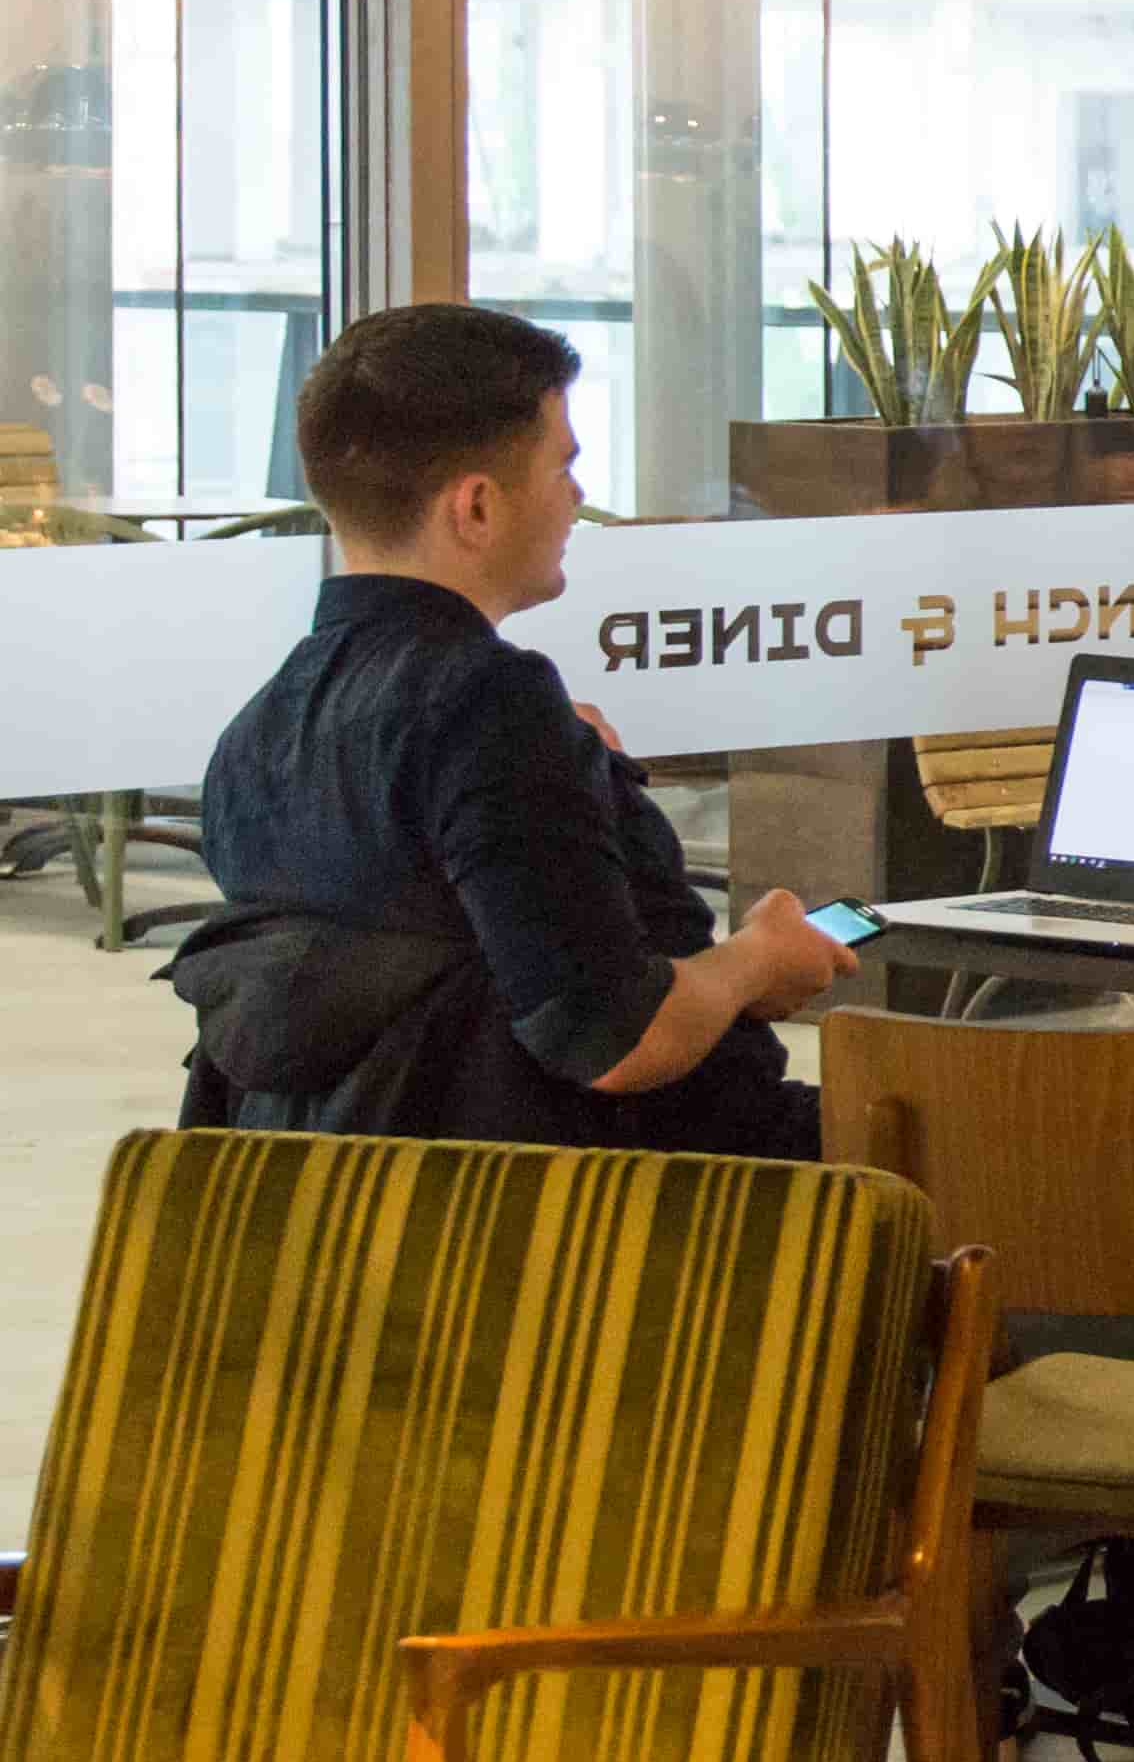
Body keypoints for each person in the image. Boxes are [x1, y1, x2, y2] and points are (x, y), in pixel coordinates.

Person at [184, 304, 846, 1158]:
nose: (578, 497)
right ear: (478, 507)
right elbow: (613, 1041)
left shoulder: (259, 733)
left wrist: (581, 777)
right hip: (558, 1216)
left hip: (357, 1200)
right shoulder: (490, 703)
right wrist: (761, 958)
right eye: (563, 467)